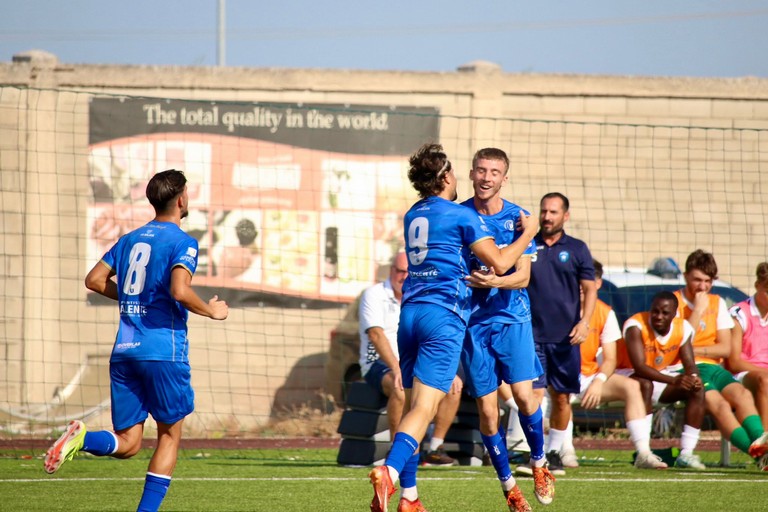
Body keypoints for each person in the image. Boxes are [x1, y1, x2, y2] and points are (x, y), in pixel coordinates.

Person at [44, 169, 229, 512]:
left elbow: (95, 280)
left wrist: (135, 298)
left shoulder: (129, 239)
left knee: (129, 444)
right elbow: (179, 290)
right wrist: (211, 310)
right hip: (163, 352)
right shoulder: (182, 242)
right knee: (169, 436)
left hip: (125, 352)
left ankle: (83, 438)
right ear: (182, 199)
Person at [368, 143, 538, 512]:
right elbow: (501, 261)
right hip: (442, 317)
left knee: (415, 406)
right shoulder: (461, 215)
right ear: (446, 177)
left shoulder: (413, 213)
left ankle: (410, 498)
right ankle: (390, 473)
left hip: (409, 314)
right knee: (424, 410)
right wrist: (529, 234)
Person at [460, 147, 554, 506]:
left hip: (512, 318)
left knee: (524, 395)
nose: (486, 178)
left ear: (504, 178)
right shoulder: (459, 216)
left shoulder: (520, 219)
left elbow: (524, 277)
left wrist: (495, 282)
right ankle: (508, 486)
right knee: (487, 410)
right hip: (473, 324)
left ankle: (540, 462)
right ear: (471, 174)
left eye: (494, 172)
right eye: (481, 170)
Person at [359, 250, 462, 467]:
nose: (404, 276)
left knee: (454, 385)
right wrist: (396, 368)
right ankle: (399, 455)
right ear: (391, 270)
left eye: (409, 272)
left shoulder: (419, 296)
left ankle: (434, 448)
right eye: (400, 271)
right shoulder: (374, 294)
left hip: (414, 362)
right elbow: (376, 335)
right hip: (379, 363)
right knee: (399, 388)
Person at [568, 259, 667, 469]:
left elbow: (611, 359)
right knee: (559, 392)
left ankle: (643, 453)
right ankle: (564, 451)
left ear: (598, 284)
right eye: (579, 278)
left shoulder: (605, 312)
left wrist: (598, 381)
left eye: (588, 279)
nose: (582, 284)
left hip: (590, 377)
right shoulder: (560, 307)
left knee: (632, 386)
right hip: (560, 376)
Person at [674, 250, 768, 463]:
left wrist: (691, 348)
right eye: (697, 280)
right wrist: (697, 311)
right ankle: (758, 454)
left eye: (707, 281)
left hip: (714, 368)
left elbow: (725, 348)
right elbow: (677, 346)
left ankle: (763, 447)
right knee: (720, 405)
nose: (702, 286)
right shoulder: (674, 303)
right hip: (686, 369)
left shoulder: (717, 303)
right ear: (686, 275)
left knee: (742, 396)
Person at [526, 192, 597, 475]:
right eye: (544, 211)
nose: (547, 216)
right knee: (531, 395)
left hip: (566, 337)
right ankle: (535, 452)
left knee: (561, 398)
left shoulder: (577, 248)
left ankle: (554, 452)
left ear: (565, 216)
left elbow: (590, 288)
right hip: (531, 335)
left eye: (553, 212)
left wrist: (585, 322)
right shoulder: (528, 244)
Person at [622, 291, 706, 469]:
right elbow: (639, 367)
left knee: (697, 388)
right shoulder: (635, 325)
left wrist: (694, 378)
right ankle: (643, 452)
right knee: (644, 384)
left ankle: (686, 454)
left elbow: (690, 364)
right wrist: (674, 380)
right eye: (655, 311)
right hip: (627, 376)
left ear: (674, 314)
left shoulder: (682, 328)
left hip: (660, 378)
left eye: (665, 313)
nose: (658, 316)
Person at [729, 261, 768, 440]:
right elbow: (734, 362)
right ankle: (765, 445)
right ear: (757, 285)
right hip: (742, 375)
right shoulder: (739, 314)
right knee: (765, 381)